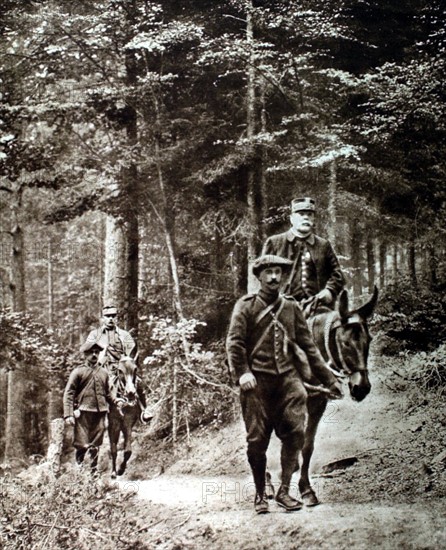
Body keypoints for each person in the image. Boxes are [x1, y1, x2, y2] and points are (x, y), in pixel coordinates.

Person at [226, 255, 343, 514]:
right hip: (256, 382)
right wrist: (242, 373)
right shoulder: (245, 307)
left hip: (287, 379)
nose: (273, 277)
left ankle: (284, 491)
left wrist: (330, 379)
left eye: (278, 272)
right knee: (257, 440)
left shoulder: (290, 307)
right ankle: (259, 495)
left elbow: (308, 346)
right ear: (259, 277)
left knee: (296, 432)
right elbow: (235, 343)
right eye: (268, 273)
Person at [262, 197, 345, 316]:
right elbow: (263, 275)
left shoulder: (323, 245)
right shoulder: (274, 243)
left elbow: (337, 274)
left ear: (313, 219)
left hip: (317, 309)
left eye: (309, 214)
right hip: (282, 308)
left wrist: (329, 290)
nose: (306, 217)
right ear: (291, 219)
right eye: (301, 214)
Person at [63, 341, 124, 472]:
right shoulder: (78, 372)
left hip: (100, 412)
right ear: (85, 355)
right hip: (83, 412)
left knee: (96, 444)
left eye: (97, 352)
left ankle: (93, 471)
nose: (94, 355)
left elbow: (108, 393)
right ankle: (79, 470)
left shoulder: (104, 373)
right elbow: (69, 393)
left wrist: (116, 401)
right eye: (91, 353)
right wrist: (68, 414)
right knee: (82, 444)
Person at [84, 305, 152, 422]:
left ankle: (144, 410)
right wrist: (101, 356)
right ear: (102, 318)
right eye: (107, 316)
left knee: (137, 383)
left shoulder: (125, 335)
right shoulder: (94, 335)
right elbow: (88, 352)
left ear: (117, 318)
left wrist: (124, 361)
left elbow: (129, 353)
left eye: (113, 316)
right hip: (101, 367)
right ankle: (86, 414)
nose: (110, 319)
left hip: (121, 367)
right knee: (88, 386)